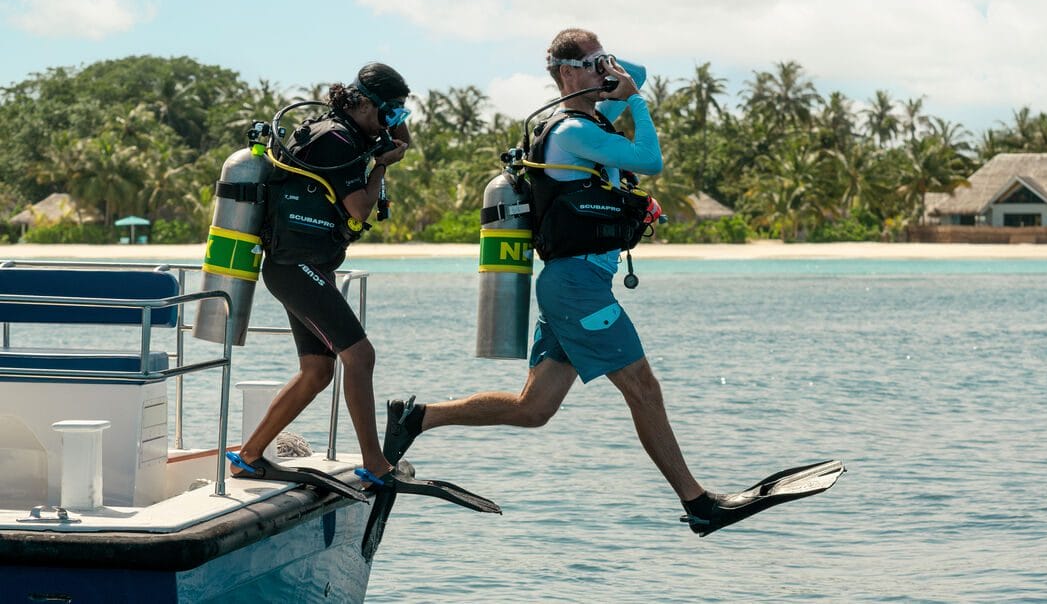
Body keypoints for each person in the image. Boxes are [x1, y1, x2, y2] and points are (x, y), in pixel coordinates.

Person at [383, 29, 721, 530]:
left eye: (605, 61)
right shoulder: (571, 132)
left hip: (576, 284)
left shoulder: (589, 116)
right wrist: (636, 104)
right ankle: (697, 503)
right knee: (644, 389)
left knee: (533, 408)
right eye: (593, 63)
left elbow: (638, 74)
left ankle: (417, 417)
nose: (606, 70)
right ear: (567, 73)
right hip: (576, 286)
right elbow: (651, 161)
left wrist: (599, 63)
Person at [229, 62, 411, 486]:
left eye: (398, 114)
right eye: (389, 112)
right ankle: (376, 464)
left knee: (318, 370)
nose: (393, 123)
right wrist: (380, 166)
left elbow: (402, 141)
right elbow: (359, 209)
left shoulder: (343, 130)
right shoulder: (337, 140)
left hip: (301, 265)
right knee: (360, 356)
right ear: (363, 103)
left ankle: (249, 457)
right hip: (297, 266)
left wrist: (394, 122)